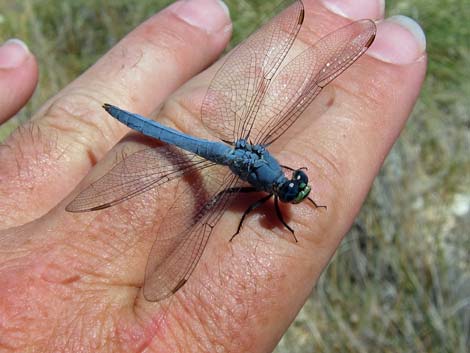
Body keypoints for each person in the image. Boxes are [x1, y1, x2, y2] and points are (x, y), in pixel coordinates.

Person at [0, 0, 426, 351]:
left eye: (295, 189)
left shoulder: (272, 182)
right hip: (199, 147)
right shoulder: (265, 194)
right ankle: (123, 117)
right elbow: (244, 210)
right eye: (295, 189)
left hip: (236, 151)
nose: (294, 190)